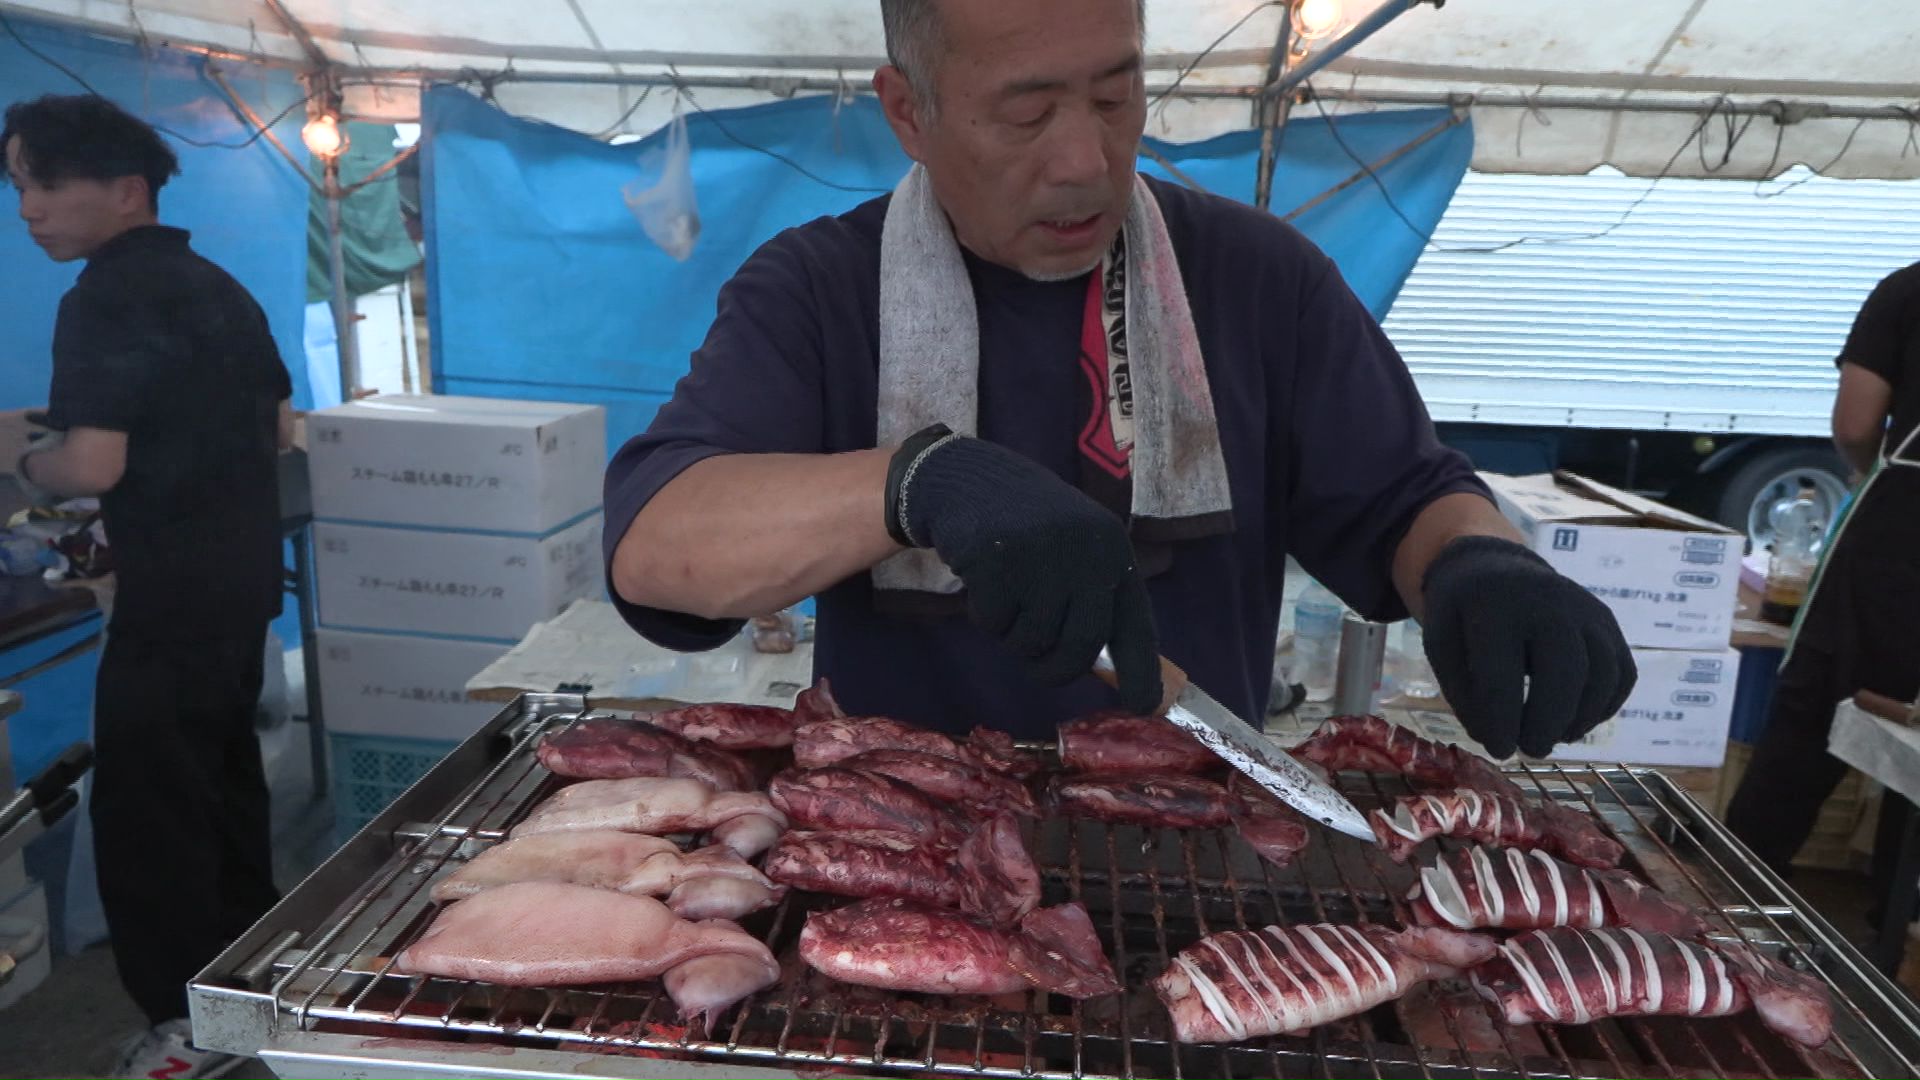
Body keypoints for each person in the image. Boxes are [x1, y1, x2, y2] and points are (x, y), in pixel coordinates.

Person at [603, 0, 1635, 757]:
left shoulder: (1255, 279)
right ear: (908, 112)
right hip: (895, 852)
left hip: (1195, 851)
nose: (1085, 161)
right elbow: (657, 546)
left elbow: (1409, 498)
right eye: (1026, 114)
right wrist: (915, 483)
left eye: (1115, 96)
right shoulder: (822, 291)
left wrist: (1479, 565)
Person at [4, 93, 293, 1080]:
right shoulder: (219, 286)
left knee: (148, 823)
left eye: (46, 184)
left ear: (127, 191)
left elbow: (91, 465)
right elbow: (275, 428)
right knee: (223, 795)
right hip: (239, 589)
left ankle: (186, 1026)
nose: (28, 208)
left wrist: (22, 463)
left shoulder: (104, 294)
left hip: (166, 602)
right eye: (18, 188)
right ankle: (248, 992)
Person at [1726, 260, 1920, 925]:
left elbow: (1857, 424)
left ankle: (1735, 905)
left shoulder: (1908, 290)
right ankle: (1896, 936)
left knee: (1814, 714)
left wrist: (1875, 476)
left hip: (1901, 531)